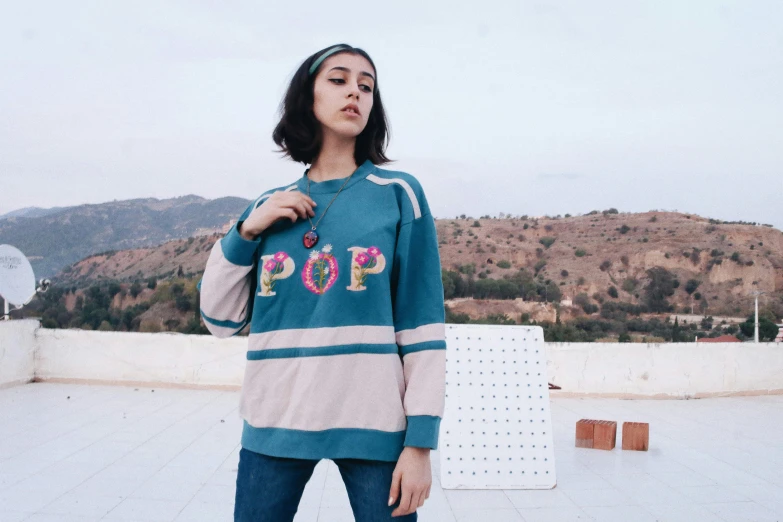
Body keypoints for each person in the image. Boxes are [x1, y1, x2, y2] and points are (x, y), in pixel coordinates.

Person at [198, 43, 446, 521]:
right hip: (276, 422)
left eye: (366, 85)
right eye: (338, 79)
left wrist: (419, 445)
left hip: (375, 426)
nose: (355, 91)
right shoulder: (270, 206)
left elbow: (422, 327)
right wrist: (246, 230)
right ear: (306, 97)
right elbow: (219, 319)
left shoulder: (398, 194)